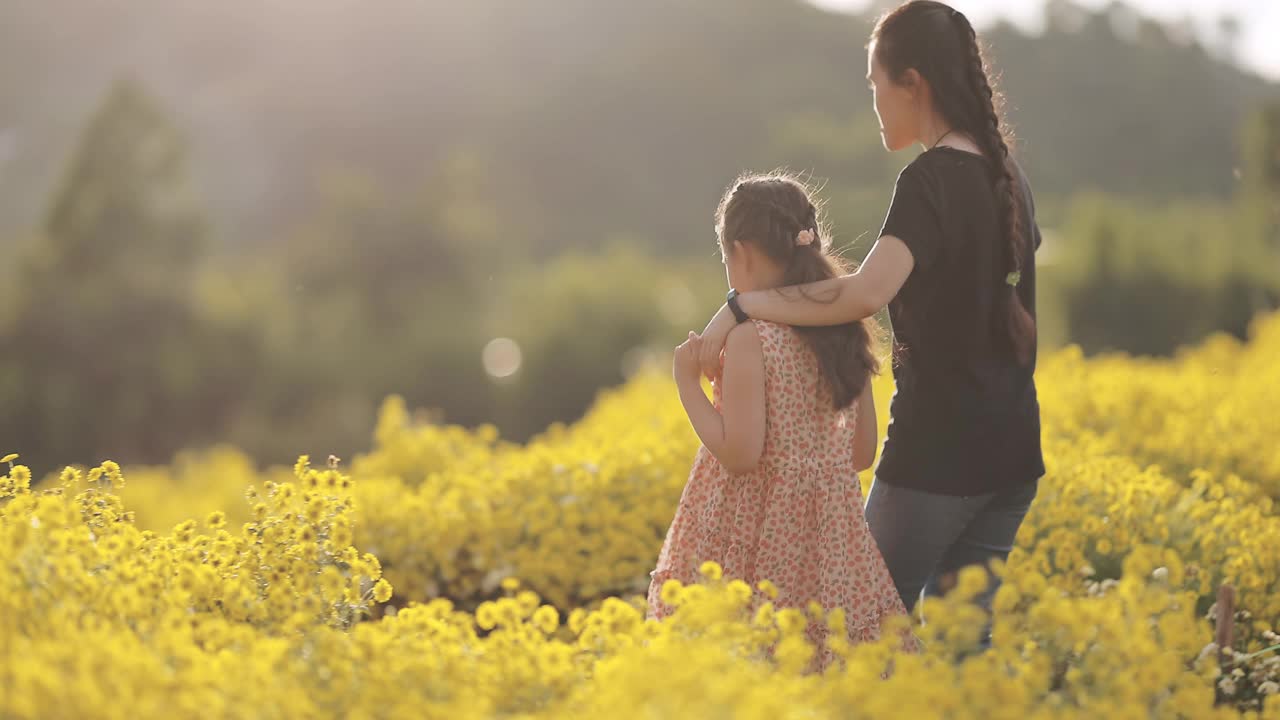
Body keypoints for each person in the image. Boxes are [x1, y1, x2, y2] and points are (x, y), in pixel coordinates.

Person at [694, 1, 1045, 642]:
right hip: (1014, 453)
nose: (875, 101)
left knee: (846, 639)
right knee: (965, 659)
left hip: (939, 459)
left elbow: (863, 294)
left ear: (913, 83)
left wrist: (743, 305)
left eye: (875, 84)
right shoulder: (1007, 176)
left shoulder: (930, 181)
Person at [648, 172, 912, 672]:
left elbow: (741, 453)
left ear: (742, 251)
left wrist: (688, 385)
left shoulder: (753, 339)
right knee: (826, 663)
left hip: (753, 532)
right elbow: (860, 455)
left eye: (727, 259)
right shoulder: (848, 330)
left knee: (751, 660)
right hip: (833, 542)